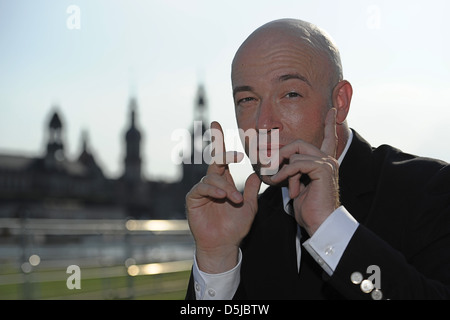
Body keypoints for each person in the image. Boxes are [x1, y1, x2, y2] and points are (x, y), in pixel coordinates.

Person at [185, 18, 450, 300]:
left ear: (340, 102)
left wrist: (331, 229)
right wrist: (217, 262)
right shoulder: (242, 227)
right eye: (247, 99)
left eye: (290, 94)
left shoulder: (432, 190)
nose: (263, 124)